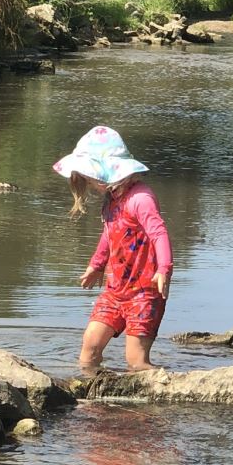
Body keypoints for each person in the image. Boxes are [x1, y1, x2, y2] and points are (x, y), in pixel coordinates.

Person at [53, 125, 173, 373]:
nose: (90, 182)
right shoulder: (112, 199)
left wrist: (164, 269)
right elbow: (109, 235)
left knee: (135, 361)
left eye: (90, 176)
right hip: (115, 290)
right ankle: (89, 398)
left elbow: (159, 232)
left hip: (144, 291)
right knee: (90, 347)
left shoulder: (140, 198)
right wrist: (96, 265)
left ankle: (154, 403)